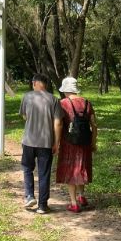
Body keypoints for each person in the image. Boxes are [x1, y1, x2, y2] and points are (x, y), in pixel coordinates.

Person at [19, 73, 63, 214]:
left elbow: (24, 115)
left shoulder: (27, 97)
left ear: (34, 83)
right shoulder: (54, 100)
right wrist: (56, 142)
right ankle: (42, 206)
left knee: (27, 168)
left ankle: (29, 196)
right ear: (46, 84)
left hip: (28, 141)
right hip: (46, 142)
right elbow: (58, 123)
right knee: (44, 173)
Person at [55, 76, 97, 213]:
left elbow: (60, 123)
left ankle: (73, 203)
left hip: (69, 143)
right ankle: (82, 196)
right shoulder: (87, 103)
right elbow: (94, 125)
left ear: (65, 90)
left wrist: (56, 142)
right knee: (81, 167)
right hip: (85, 142)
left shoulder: (63, 104)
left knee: (71, 170)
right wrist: (93, 142)